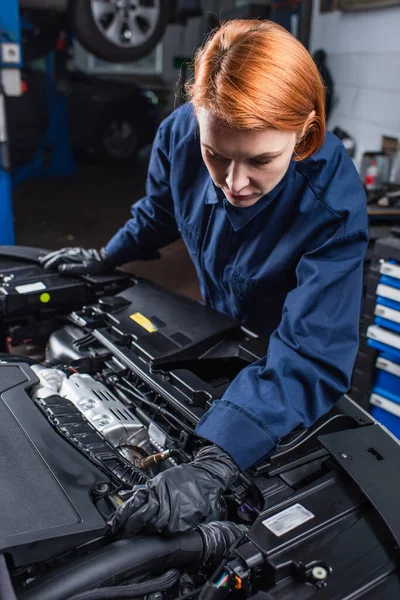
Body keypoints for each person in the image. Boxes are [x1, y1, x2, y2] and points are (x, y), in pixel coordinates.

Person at [40, 20, 368, 536]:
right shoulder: (178, 134)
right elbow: (158, 212)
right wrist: (106, 256)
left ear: (304, 134)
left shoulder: (332, 198)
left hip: (289, 369)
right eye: (216, 155)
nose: (235, 183)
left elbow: (312, 350)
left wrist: (220, 458)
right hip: (219, 333)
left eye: (261, 160)